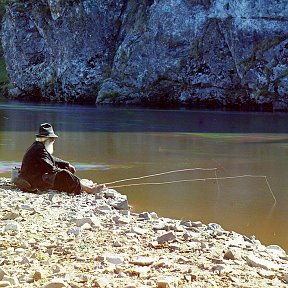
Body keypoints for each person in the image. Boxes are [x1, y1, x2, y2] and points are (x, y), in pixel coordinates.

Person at [17, 123, 104, 194]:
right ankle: (89, 189)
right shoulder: (39, 150)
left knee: (64, 169)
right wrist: (63, 170)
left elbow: (51, 158)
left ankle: (82, 185)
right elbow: (51, 168)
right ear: (47, 139)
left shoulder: (38, 146)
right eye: (52, 139)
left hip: (33, 176)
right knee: (64, 173)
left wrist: (66, 164)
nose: (53, 141)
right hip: (33, 180)